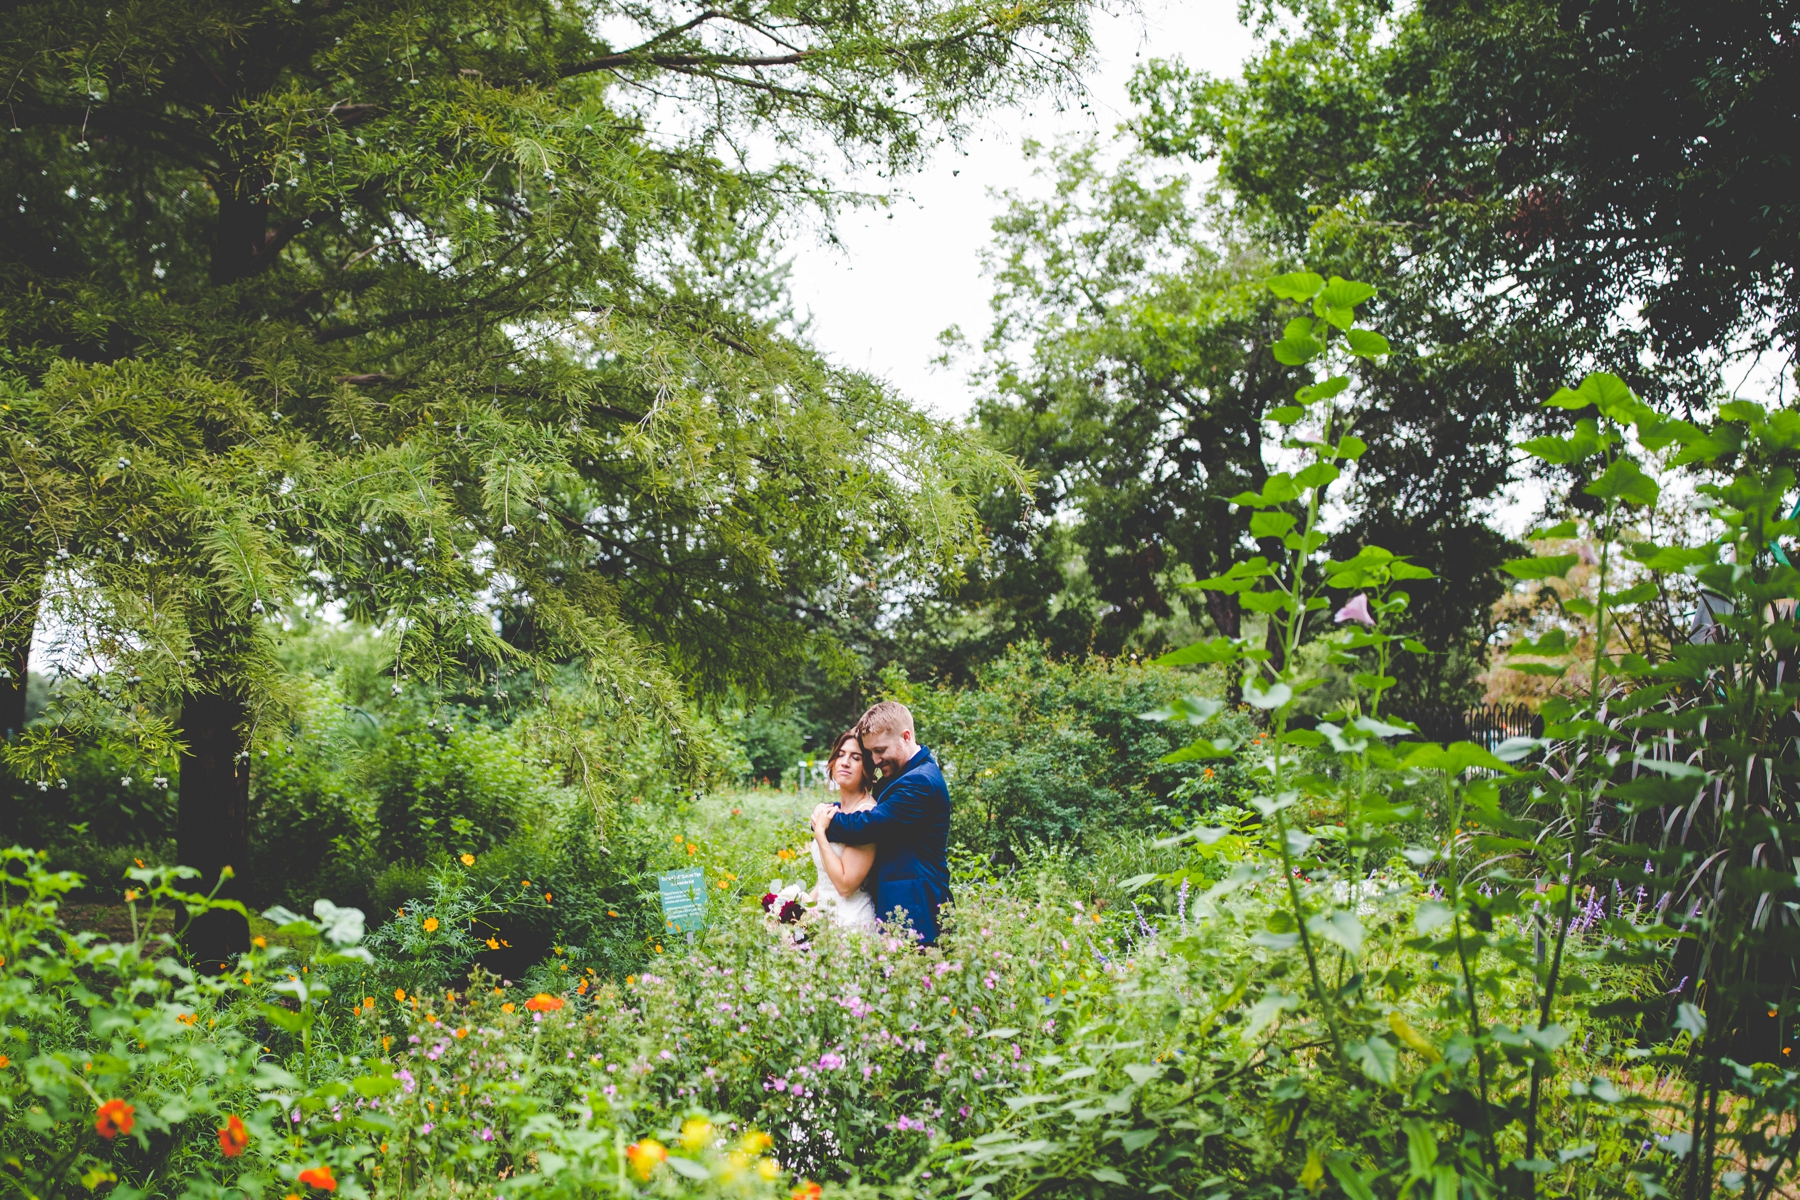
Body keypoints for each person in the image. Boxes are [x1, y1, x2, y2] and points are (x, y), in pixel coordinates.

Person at [811, 701, 951, 945]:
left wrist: (821, 823)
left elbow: (869, 824)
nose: (875, 760)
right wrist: (833, 809)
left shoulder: (920, 782)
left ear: (906, 736)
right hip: (893, 908)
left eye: (880, 750)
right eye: (870, 752)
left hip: (917, 909)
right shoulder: (901, 775)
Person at [807, 728, 877, 929]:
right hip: (823, 918)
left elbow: (845, 886)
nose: (845, 762)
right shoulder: (834, 811)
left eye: (855, 757)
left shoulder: (866, 815)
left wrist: (820, 835)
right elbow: (826, 878)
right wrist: (799, 908)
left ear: (867, 767)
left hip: (851, 922)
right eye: (840, 754)